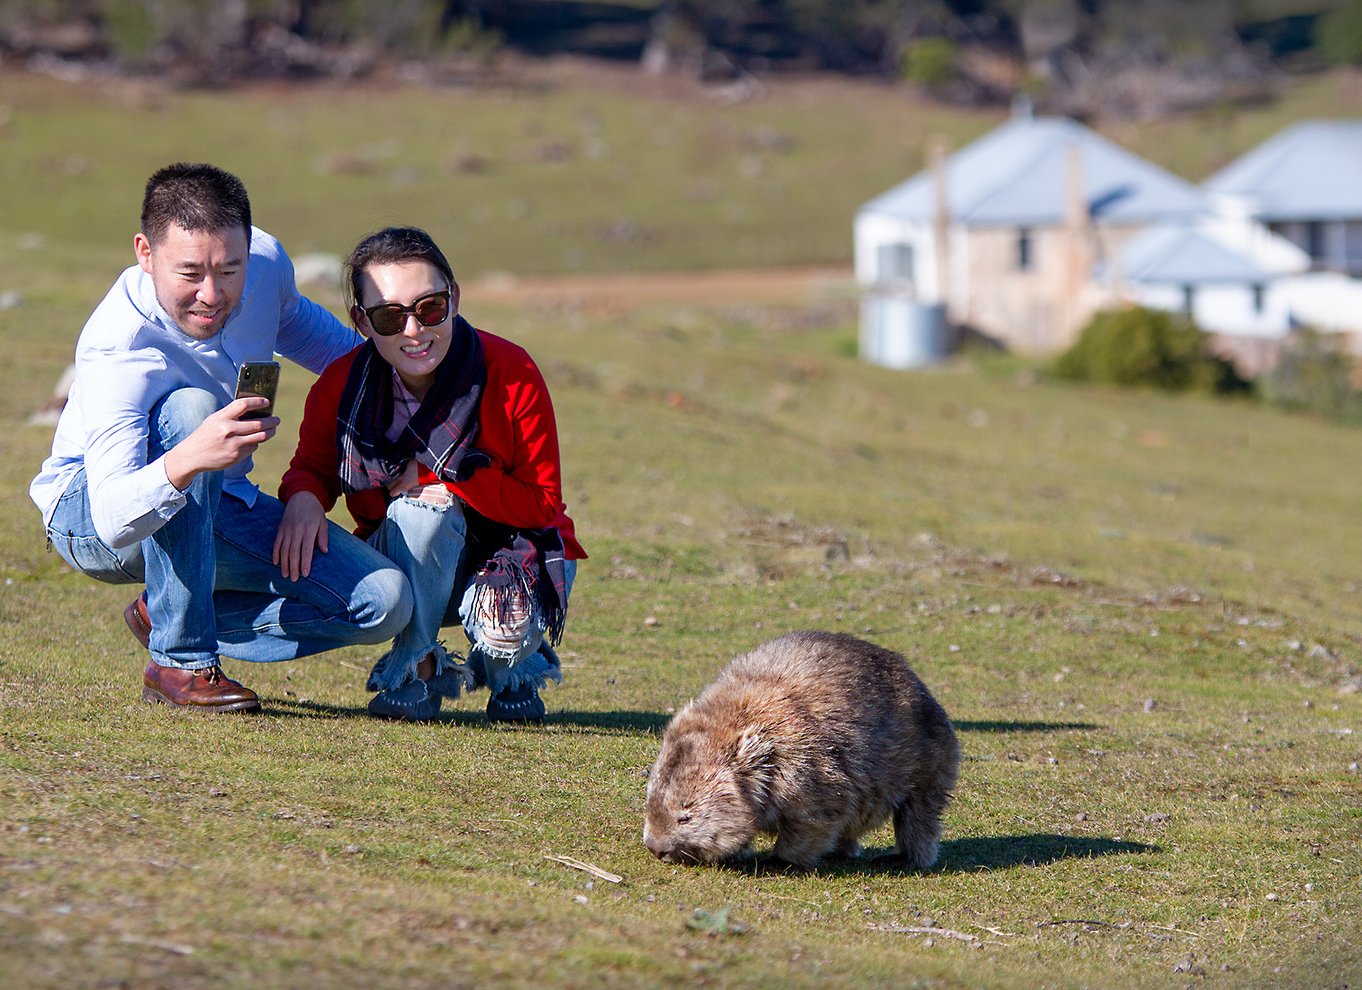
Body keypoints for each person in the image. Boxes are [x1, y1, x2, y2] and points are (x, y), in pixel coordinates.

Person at [30, 163, 413, 713]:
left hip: (223, 500)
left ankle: (163, 607)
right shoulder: (118, 345)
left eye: (228, 270)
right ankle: (180, 659)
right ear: (145, 252)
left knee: (383, 601)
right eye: (189, 273)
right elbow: (113, 518)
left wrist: (407, 377)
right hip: (89, 512)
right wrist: (191, 455)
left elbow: (312, 334)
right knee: (192, 409)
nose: (212, 294)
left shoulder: (263, 265)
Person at [275, 226, 586, 724]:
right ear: (361, 321)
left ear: (455, 298)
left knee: (447, 519)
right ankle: (416, 666)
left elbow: (543, 504)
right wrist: (304, 498)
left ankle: (512, 670)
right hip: (410, 561)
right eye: (389, 316)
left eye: (430, 308)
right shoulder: (341, 385)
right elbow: (310, 470)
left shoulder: (511, 370)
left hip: (509, 552)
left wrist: (445, 473)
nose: (414, 331)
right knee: (424, 511)